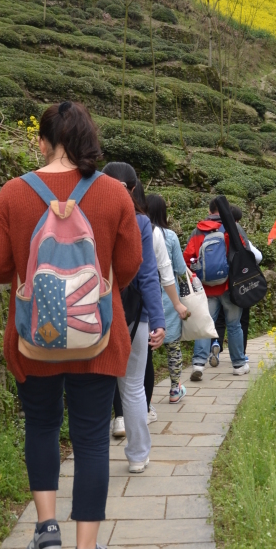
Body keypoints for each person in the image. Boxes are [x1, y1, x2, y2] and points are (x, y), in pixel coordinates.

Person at [0, 101, 143, 549]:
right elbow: (129, 265)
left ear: (44, 141)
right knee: (91, 438)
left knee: (42, 425)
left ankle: (46, 528)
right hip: (98, 337)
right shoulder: (114, 193)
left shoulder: (14, 193)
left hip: (35, 338)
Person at [102, 164, 165, 473]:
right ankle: (138, 456)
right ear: (133, 188)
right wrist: (158, 321)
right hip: (134, 314)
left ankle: (93, 457)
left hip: (94, 313)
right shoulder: (140, 223)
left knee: (97, 386)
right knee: (133, 386)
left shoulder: (88, 215)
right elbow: (148, 275)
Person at [184, 198, 252, 379]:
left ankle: (199, 364)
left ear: (209, 210)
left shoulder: (198, 230)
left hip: (207, 288)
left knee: (206, 325)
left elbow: (187, 258)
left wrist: (198, 277)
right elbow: (246, 253)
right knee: (234, 325)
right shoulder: (233, 228)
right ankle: (239, 365)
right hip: (230, 287)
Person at [147, 193, 191, 404]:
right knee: (173, 348)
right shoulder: (170, 236)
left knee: (146, 353)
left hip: (147, 300)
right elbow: (180, 268)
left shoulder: (141, 231)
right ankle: (175, 389)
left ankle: (144, 398)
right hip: (169, 299)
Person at [214, 206, 262, 356]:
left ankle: (216, 345)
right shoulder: (237, 229)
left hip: (217, 280)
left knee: (219, 317)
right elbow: (256, 256)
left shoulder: (214, 229)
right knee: (240, 320)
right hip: (238, 280)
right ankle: (241, 352)